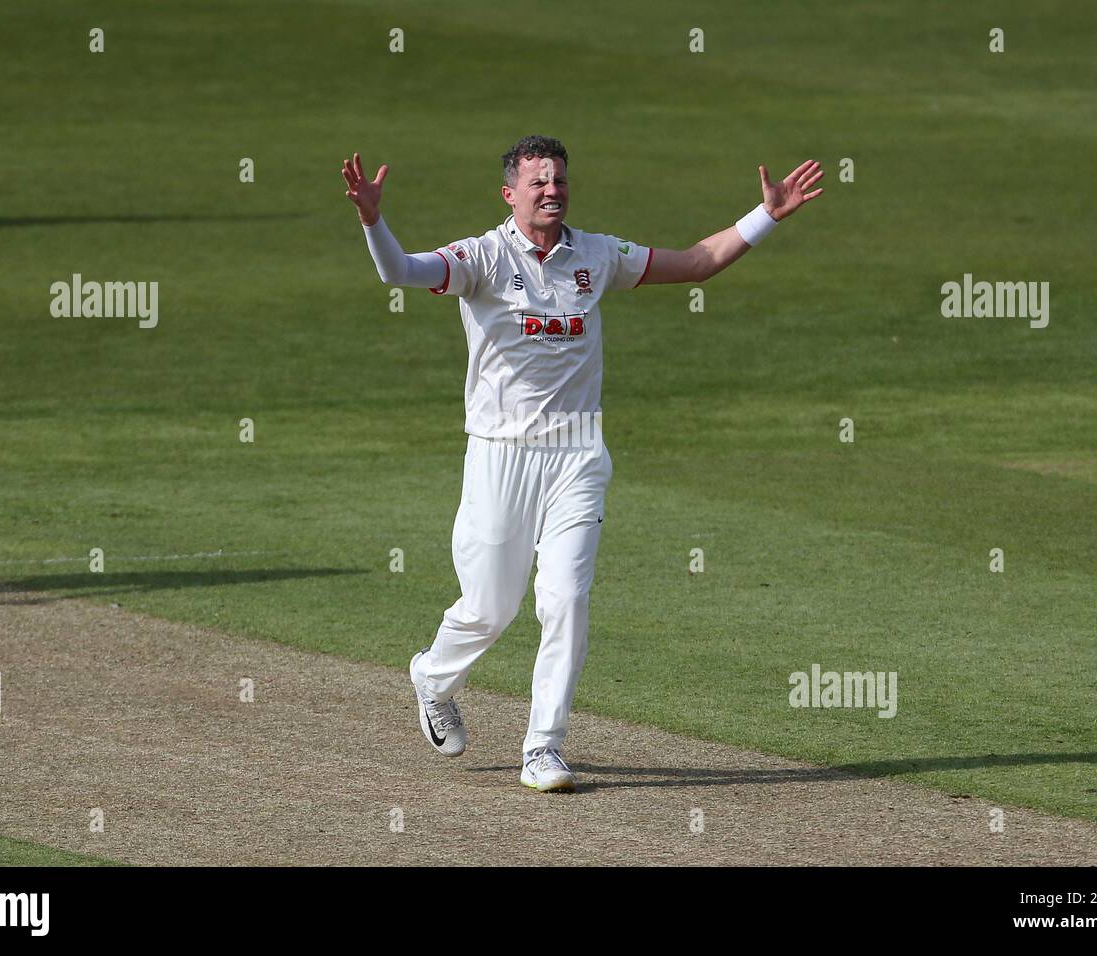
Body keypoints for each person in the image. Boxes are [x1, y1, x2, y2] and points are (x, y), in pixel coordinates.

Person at [343, 135, 822, 792]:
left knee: (565, 598)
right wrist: (374, 219)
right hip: (499, 455)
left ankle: (543, 748)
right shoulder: (481, 257)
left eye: (559, 180)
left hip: (577, 455)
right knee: (490, 607)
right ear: (508, 193)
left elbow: (696, 263)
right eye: (537, 182)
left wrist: (764, 215)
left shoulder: (596, 254)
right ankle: (432, 677)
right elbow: (400, 271)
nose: (551, 190)